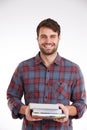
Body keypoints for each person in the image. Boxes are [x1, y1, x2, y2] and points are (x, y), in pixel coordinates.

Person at [7, 18, 86, 130]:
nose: (48, 41)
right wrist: (25, 110)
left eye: (52, 36)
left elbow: (81, 103)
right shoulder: (23, 68)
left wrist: (67, 110)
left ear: (59, 38)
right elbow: (12, 97)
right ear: (37, 39)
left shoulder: (73, 70)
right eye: (43, 36)